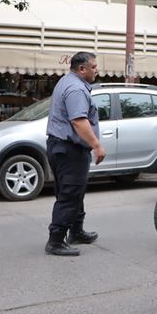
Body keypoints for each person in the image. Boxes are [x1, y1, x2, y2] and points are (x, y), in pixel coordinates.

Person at [44, 51, 106, 256]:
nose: (97, 70)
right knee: (69, 194)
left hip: (62, 147)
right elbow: (79, 121)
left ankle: (76, 231)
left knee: (75, 191)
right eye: (94, 67)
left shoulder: (67, 81)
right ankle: (55, 240)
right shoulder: (76, 89)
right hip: (69, 149)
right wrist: (97, 145)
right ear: (82, 69)